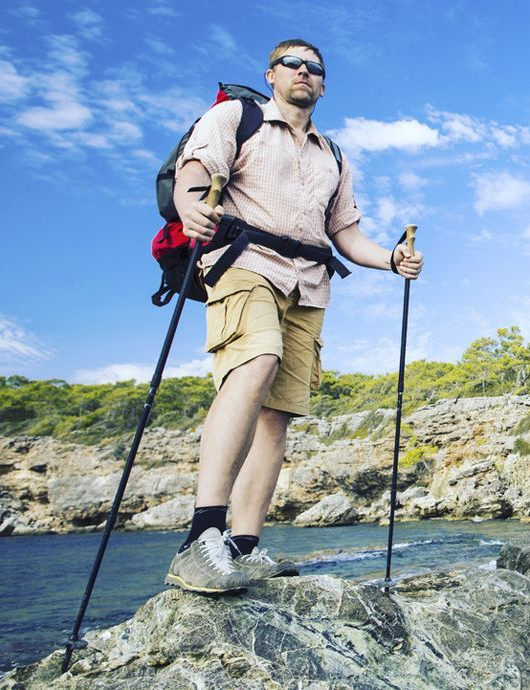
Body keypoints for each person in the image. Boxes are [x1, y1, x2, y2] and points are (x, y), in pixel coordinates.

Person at [164, 38, 423, 594]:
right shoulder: (236, 116)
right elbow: (195, 171)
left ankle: (244, 545)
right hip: (244, 262)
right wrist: (191, 207)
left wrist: (392, 259)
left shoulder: (334, 155)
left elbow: (345, 234)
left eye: (315, 69)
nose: (304, 73)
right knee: (255, 363)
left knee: (277, 414)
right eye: (293, 64)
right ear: (272, 73)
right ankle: (199, 540)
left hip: (308, 284)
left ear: (323, 85)